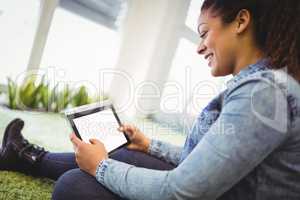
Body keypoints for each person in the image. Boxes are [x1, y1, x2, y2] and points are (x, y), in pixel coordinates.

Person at [1, 0, 300, 199]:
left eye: (204, 33)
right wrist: (149, 145)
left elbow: (182, 190)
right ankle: (27, 156)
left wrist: (101, 167)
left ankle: (28, 157)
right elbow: (205, 161)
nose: (199, 48)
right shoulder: (264, 83)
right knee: (126, 155)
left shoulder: (264, 92)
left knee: (75, 186)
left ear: (241, 21)